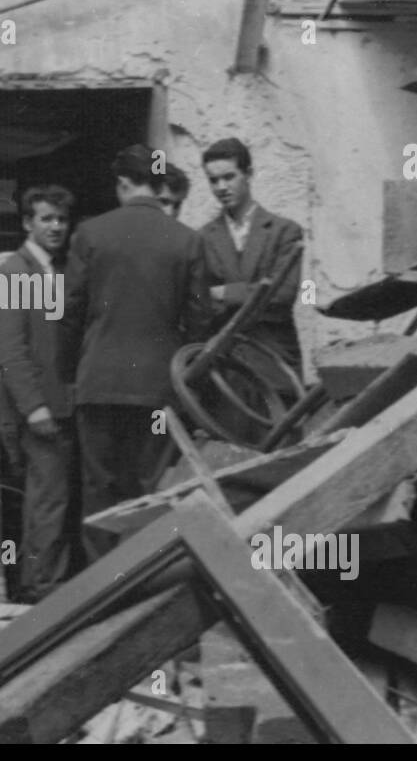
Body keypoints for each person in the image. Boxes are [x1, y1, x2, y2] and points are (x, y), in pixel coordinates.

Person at [59, 145, 213, 559]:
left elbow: (70, 313)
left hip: (99, 385)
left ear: (123, 184)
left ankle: (102, 590)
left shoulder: (90, 234)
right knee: (153, 487)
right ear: (158, 184)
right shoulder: (187, 240)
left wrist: (70, 372)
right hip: (159, 387)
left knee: (99, 489)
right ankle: (148, 581)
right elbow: (201, 322)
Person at [0, 185, 77, 601]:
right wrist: (34, 407)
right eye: (47, 218)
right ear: (27, 223)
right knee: (47, 501)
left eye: (61, 219)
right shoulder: (13, 273)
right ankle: (41, 587)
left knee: (54, 499)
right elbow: (10, 351)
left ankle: (48, 581)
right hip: (39, 410)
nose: (56, 226)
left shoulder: (52, 271)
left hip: (61, 404)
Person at [198, 137, 303, 369]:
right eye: (213, 180)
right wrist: (253, 293)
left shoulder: (284, 231)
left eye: (229, 177)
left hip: (274, 362)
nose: (221, 188)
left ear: (248, 173)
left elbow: (281, 295)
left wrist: (221, 292)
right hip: (225, 365)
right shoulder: (202, 238)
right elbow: (199, 302)